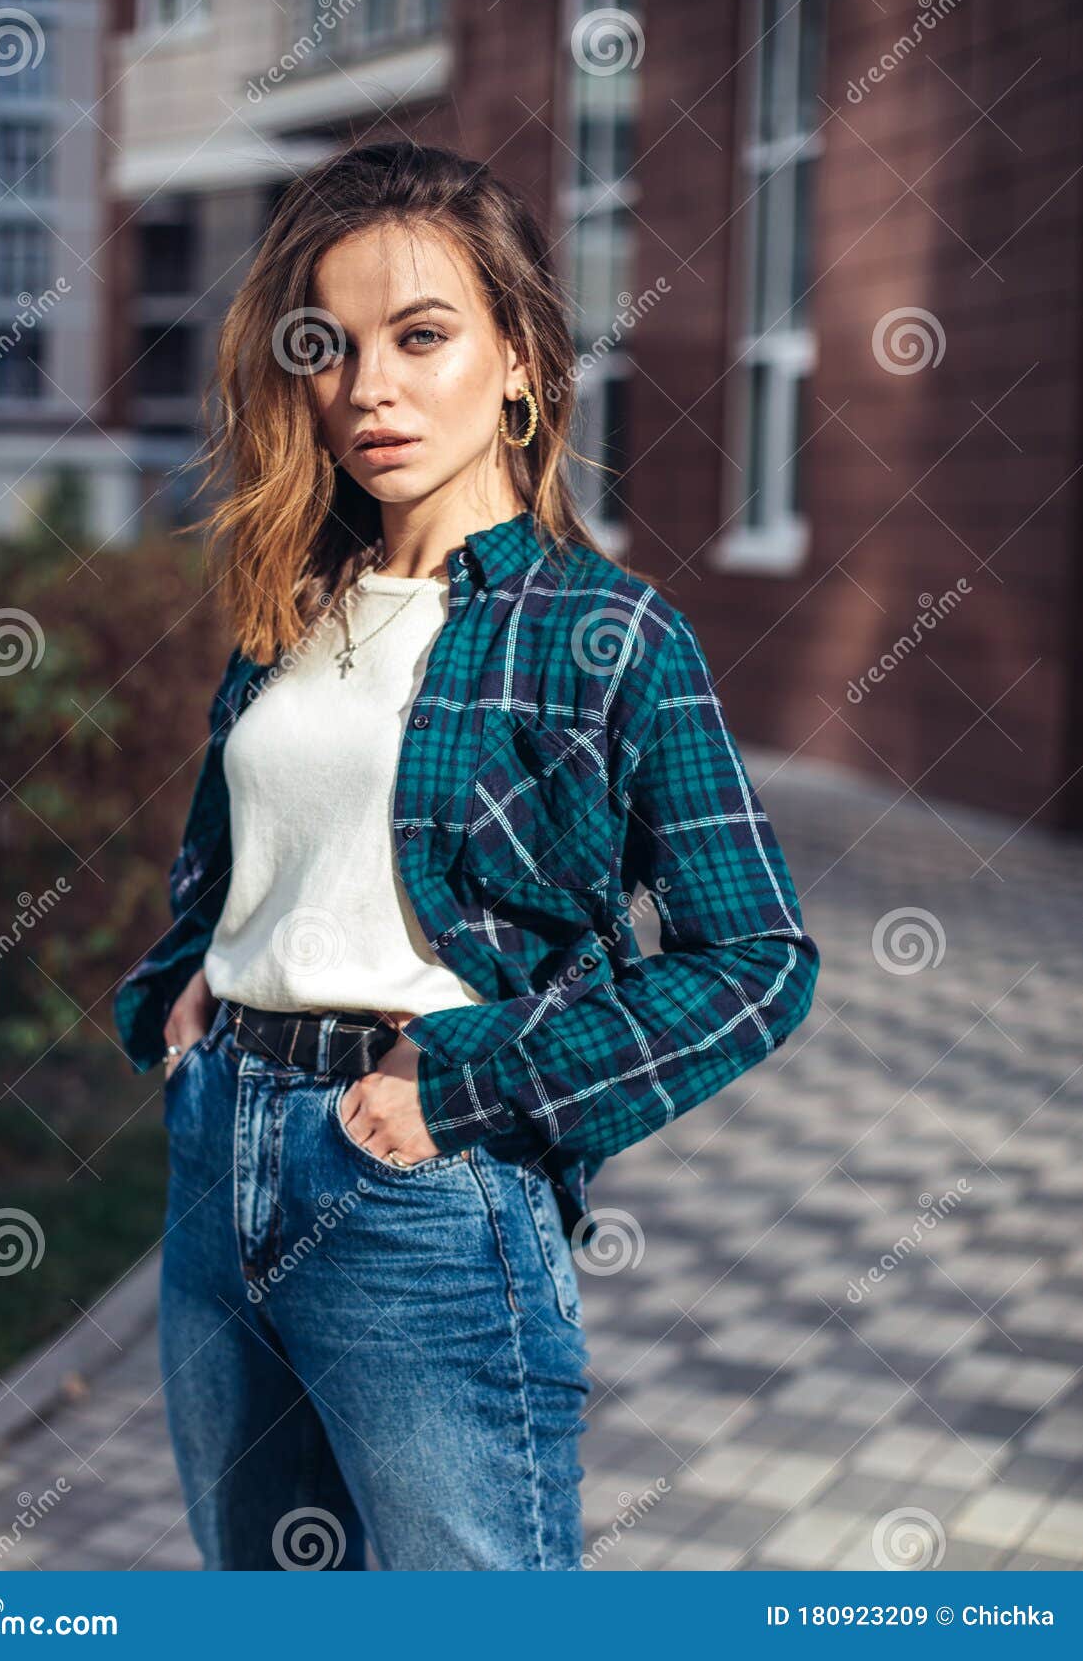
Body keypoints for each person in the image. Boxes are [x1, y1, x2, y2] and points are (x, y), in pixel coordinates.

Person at [114, 140, 820, 1571]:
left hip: (416, 1189)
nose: (369, 386)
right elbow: (235, 860)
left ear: (519, 364)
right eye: (332, 347)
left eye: (422, 336)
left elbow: (757, 962)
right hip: (219, 1157)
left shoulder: (604, 633)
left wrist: (472, 1085)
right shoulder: (287, 612)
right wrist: (187, 988)